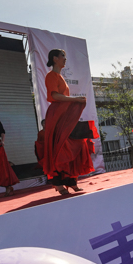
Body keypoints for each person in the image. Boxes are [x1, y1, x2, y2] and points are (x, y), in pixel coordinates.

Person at [42, 49, 94, 195]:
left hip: (65, 115)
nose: (65, 59)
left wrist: (74, 102)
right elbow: (54, 95)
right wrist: (75, 99)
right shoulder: (51, 75)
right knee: (61, 147)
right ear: (55, 58)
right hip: (57, 115)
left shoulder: (59, 76)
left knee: (77, 144)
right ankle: (58, 184)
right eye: (63, 56)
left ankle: (71, 181)